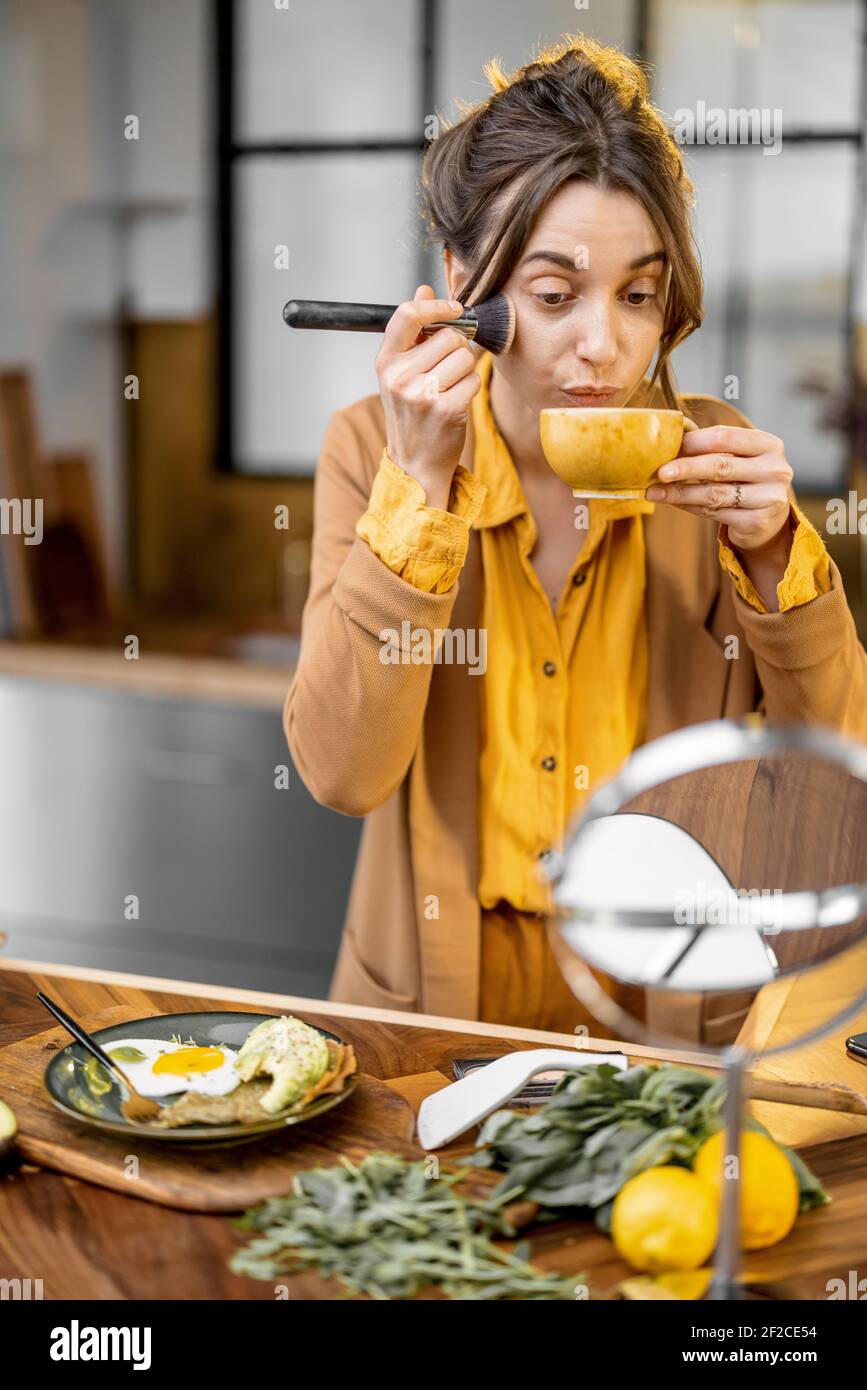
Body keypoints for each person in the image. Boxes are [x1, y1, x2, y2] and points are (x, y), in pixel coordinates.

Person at [284, 37, 867, 1036]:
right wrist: (420, 485)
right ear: (464, 283)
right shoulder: (373, 453)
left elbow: (839, 788)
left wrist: (778, 564)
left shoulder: (720, 464)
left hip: (674, 1017)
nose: (604, 345)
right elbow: (343, 772)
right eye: (555, 296)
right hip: (437, 1015)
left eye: (638, 295)